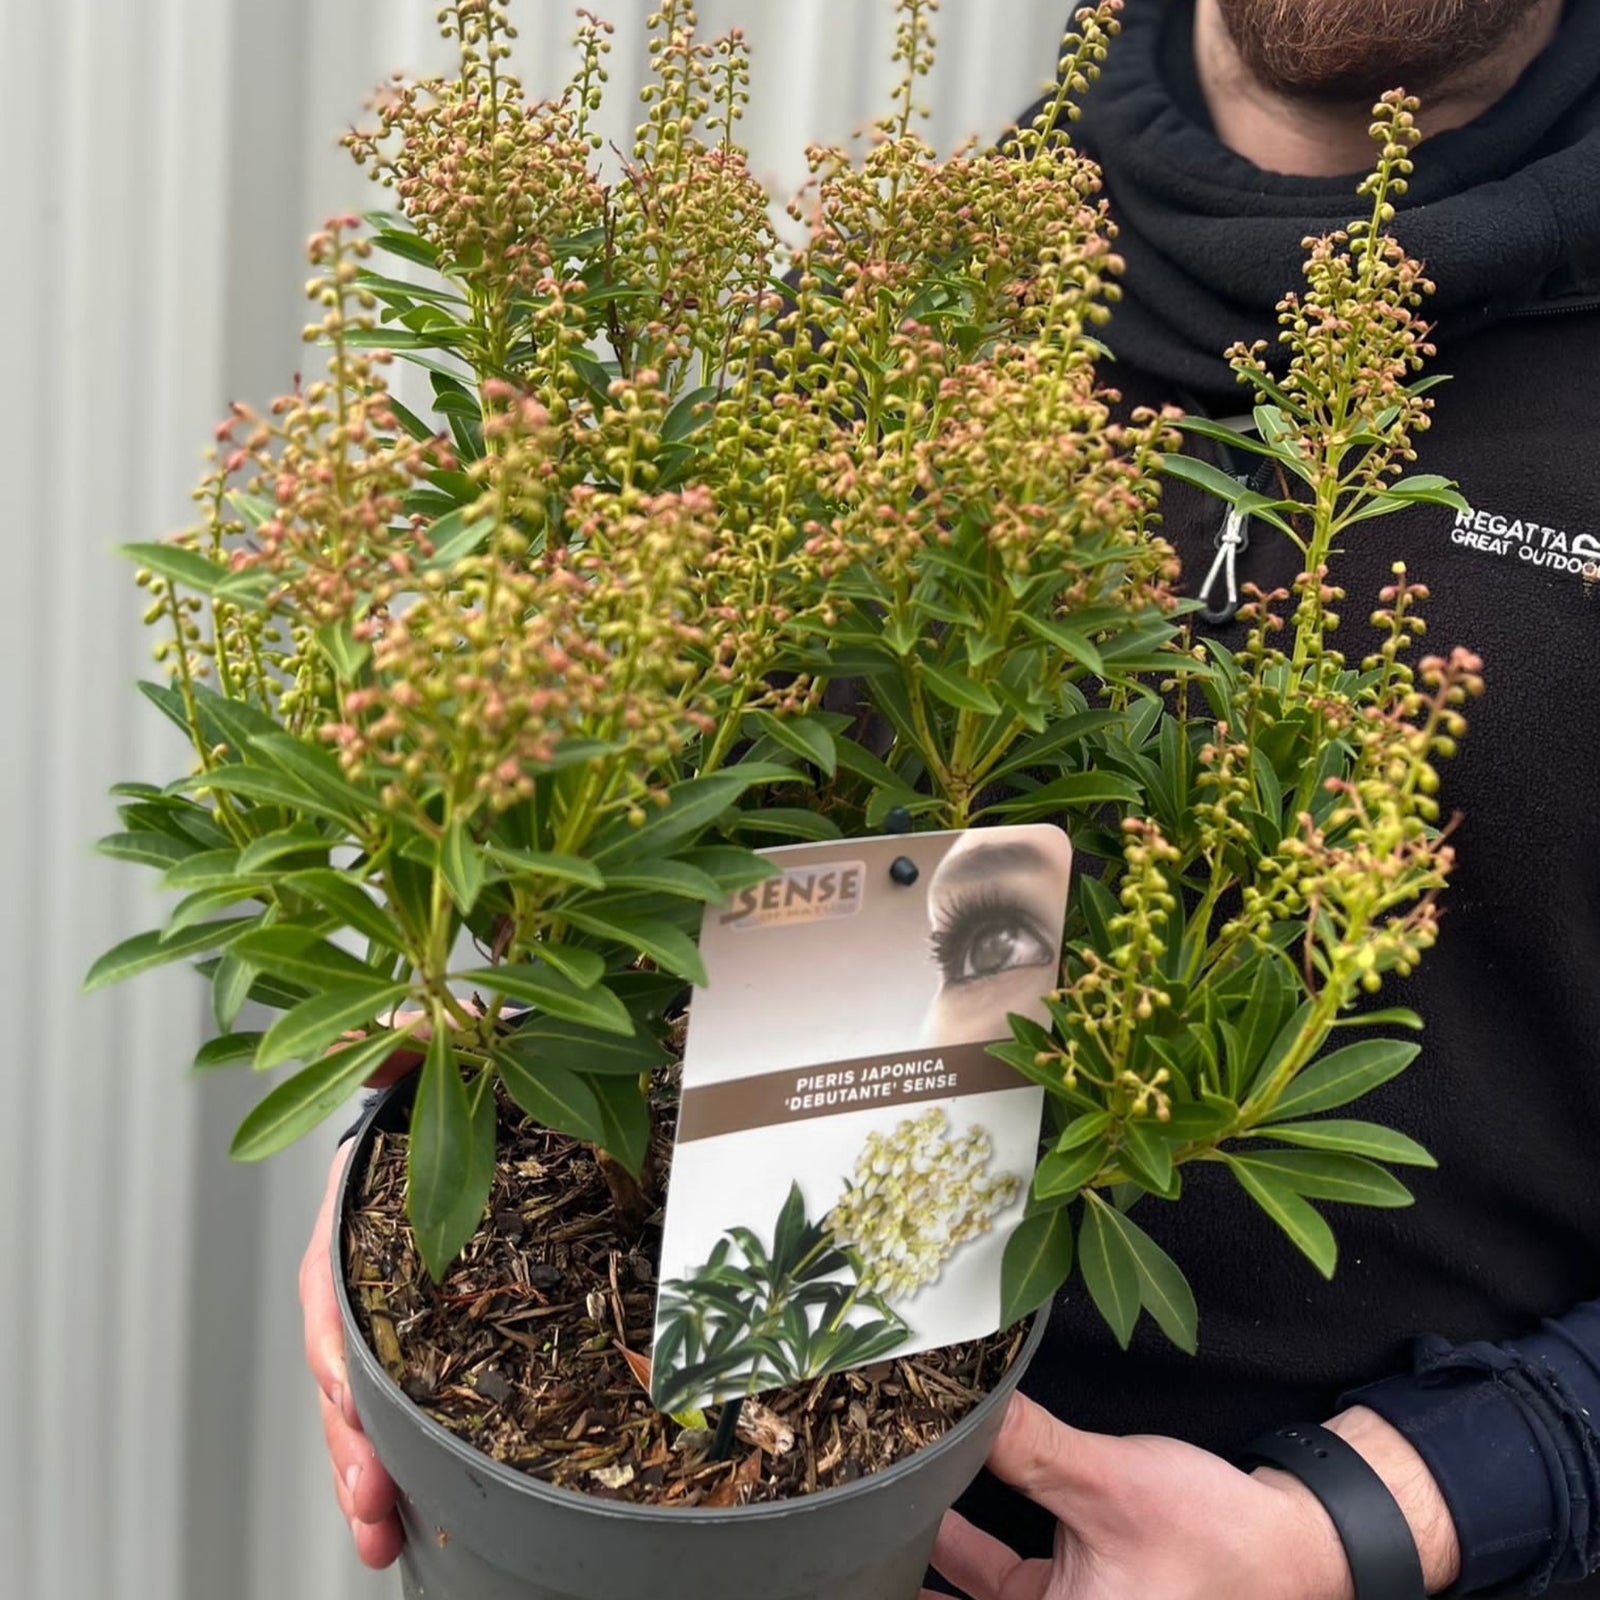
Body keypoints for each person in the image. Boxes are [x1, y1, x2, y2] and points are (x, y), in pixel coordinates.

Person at [301, 1, 1600, 1592]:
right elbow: (701, 860)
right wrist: (463, 1146)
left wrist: (1385, 1520)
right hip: (751, 1485)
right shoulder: (929, 267)